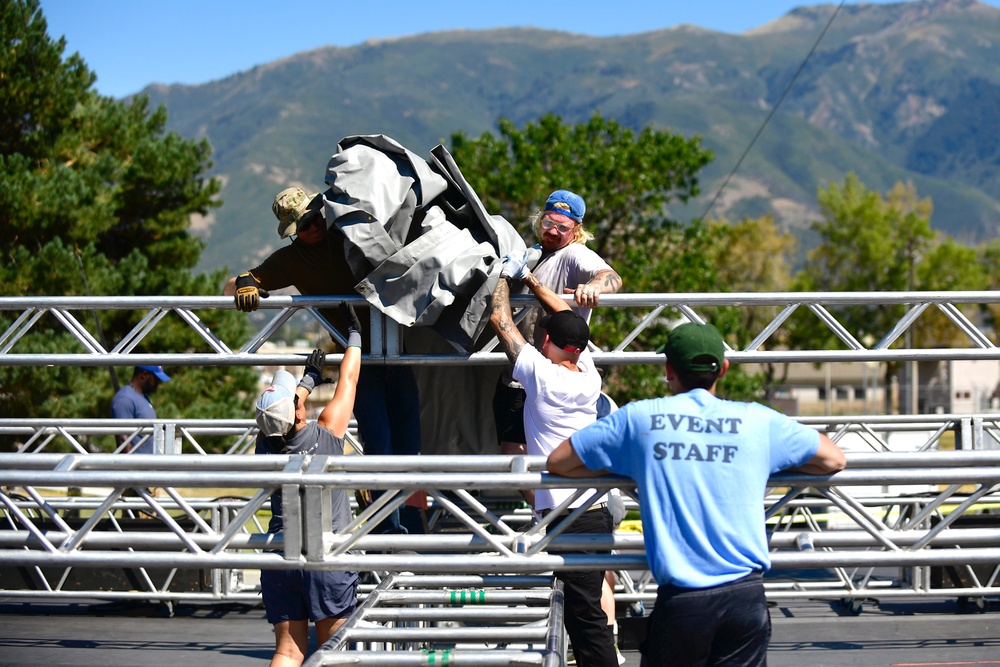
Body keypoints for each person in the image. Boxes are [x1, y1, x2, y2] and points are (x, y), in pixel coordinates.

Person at [547, 322, 847, 667]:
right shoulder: (757, 421)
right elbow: (833, 459)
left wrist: (629, 464)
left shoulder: (641, 419)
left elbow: (559, 462)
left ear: (669, 370)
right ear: (724, 368)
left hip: (684, 603)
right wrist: (766, 464)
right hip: (746, 599)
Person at [224, 186, 421, 532]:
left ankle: (414, 528)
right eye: (302, 225)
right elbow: (234, 284)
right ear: (292, 232)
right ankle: (388, 530)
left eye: (314, 217)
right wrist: (242, 284)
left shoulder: (351, 233)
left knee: (410, 444)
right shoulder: (291, 260)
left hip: (398, 351)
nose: (312, 227)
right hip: (360, 359)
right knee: (380, 444)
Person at [490, 259, 618, 667]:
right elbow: (566, 319)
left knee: (586, 619)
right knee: (582, 610)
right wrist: (530, 278)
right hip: (593, 511)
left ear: (549, 342)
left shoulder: (542, 376)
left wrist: (502, 277)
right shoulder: (588, 373)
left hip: (568, 515)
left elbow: (499, 320)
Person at [254, 303, 363, 667]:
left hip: (281, 555)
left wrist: (304, 383)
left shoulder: (264, 444)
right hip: (325, 555)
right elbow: (348, 380)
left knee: (287, 652)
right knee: (332, 653)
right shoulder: (327, 432)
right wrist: (355, 334)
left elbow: (280, 418)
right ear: (299, 411)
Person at [493, 189, 622, 460]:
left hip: (551, 374)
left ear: (576, 231)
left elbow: (611, 276)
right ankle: (552, 503)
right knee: (516, 456)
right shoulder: (534, 254)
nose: (552, 231)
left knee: (520, 457)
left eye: (562, 227)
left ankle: (557, 503)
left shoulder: (575, 253)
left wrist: (594, 287)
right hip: (521, 371)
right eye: (548, 223)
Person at [110, 365, 171, 453]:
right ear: (144, 375)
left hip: (150, 465)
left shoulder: (143, 397)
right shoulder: (125, 399)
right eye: (155, 379)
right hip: (138, 465)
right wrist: (133, 465)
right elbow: (123, 441)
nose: (158, 384)